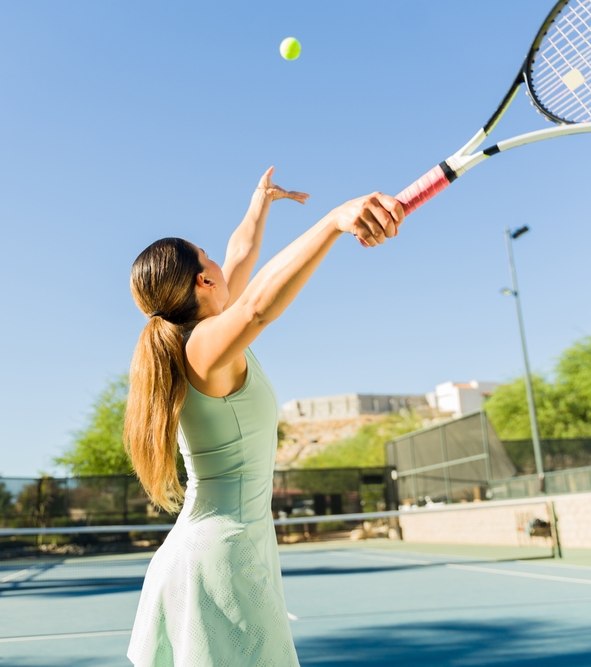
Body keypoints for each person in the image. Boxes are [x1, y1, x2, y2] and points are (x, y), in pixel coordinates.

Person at [124, 167, 404, 666]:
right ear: (203, 281)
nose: (224, 261)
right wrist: (333, 222)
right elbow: (255, 307)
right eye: (210, 259)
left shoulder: (201, 336)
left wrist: (261, 203)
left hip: (219, 550)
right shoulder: (204, 347)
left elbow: (241, 253)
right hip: (222, 559)